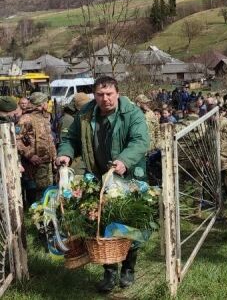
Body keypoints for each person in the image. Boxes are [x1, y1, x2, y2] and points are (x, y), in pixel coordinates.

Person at [56, 76, 150, 292]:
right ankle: (109, 272)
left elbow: (140, 141)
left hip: (128, 176)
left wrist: (124, 160)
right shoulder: (86, 114)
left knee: (128, 222)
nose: (105, 98)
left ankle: (128, 268)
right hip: (100, 176)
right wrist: (65, 154)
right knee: (102, 222)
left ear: (117, 93)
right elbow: (71, 139)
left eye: (109, 94)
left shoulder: (132, 113)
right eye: (100, 94)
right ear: (94, 95)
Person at [17, 92, 57, 206]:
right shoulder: (26, 118)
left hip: (47, 162)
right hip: (35, 165)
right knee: (37, 194)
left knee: (48, 191)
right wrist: (29, 155)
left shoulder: (44, 117)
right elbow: (16, 139)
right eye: (46, 102)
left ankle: (47, 214)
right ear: (41, 103)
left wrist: (54, 157)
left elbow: (49, 139)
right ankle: (36, 216)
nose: (47, 104)